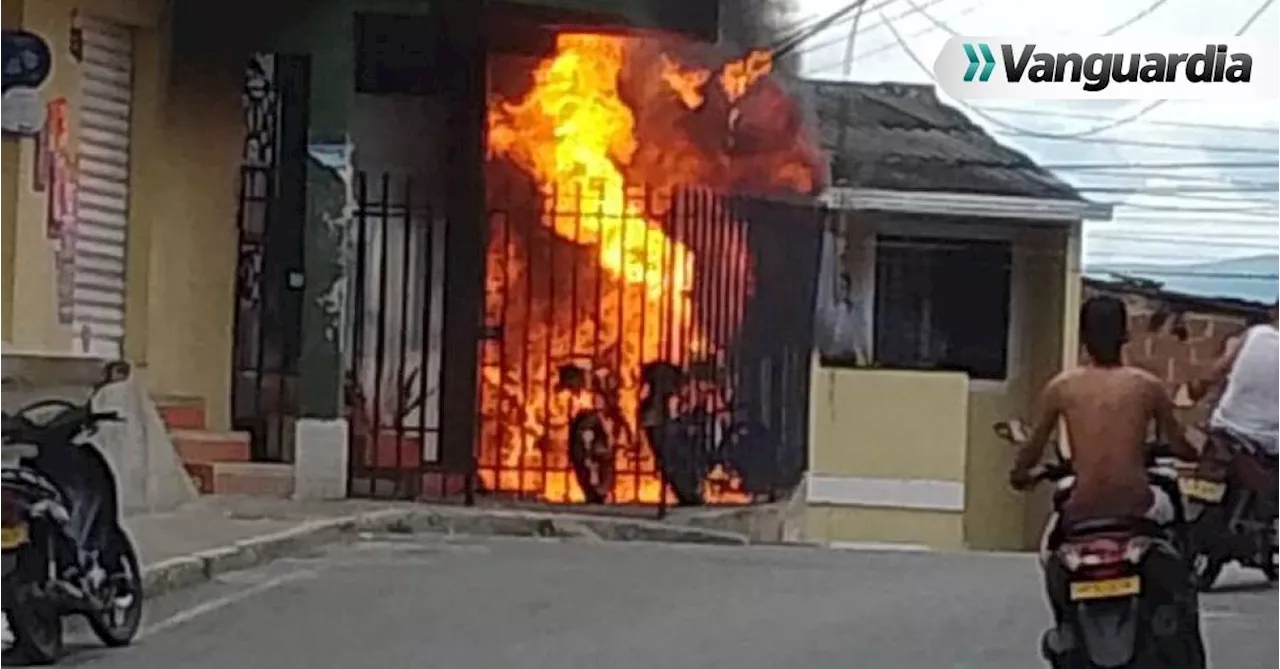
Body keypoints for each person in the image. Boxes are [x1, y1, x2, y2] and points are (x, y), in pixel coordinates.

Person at [1009, 295, 1200, 526]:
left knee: (1055, 529)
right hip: (1137, 507)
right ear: (1126, 335)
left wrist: (1020, 475)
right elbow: (1180, 447)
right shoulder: (1148, 385)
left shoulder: (1061, 387)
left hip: (1082, 510)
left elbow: (1032, 450)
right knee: (1173, 511)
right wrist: (1197, 451)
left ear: (1083, 337)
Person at [1187, 302, 1280, 461]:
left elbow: (1215, 373)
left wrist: (1196, 389)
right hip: (1270, 449)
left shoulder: (1256, 333)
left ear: (1274, 313)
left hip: (1225, 436)